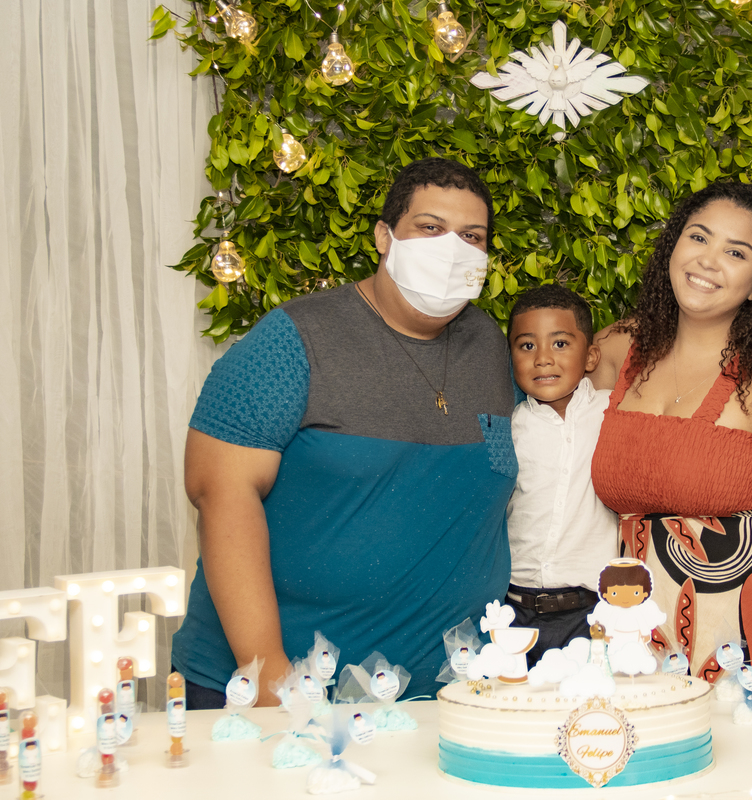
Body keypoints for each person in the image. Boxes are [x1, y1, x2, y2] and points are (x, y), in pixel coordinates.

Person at [171, 157, 517, 706]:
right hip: (283, 693)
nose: (452, 249)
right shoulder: (294, 338)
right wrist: (268, 677)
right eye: (430, 228)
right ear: (384, 236)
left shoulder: (492, 347)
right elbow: (220, 492)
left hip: (445, 695)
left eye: (471, 236)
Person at [589, 182, 752, 684]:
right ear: (674, 246)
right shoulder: (618, 349)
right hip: (632, 647)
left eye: (735, 252)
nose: (708, 260)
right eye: (698, 237)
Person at [504, 285, 618, 666]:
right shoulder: (507, 426)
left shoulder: (613, 413)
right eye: (527, 346)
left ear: (591, 356)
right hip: (513, 613)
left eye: (560, 344)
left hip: (592, 615)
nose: (542, 359)